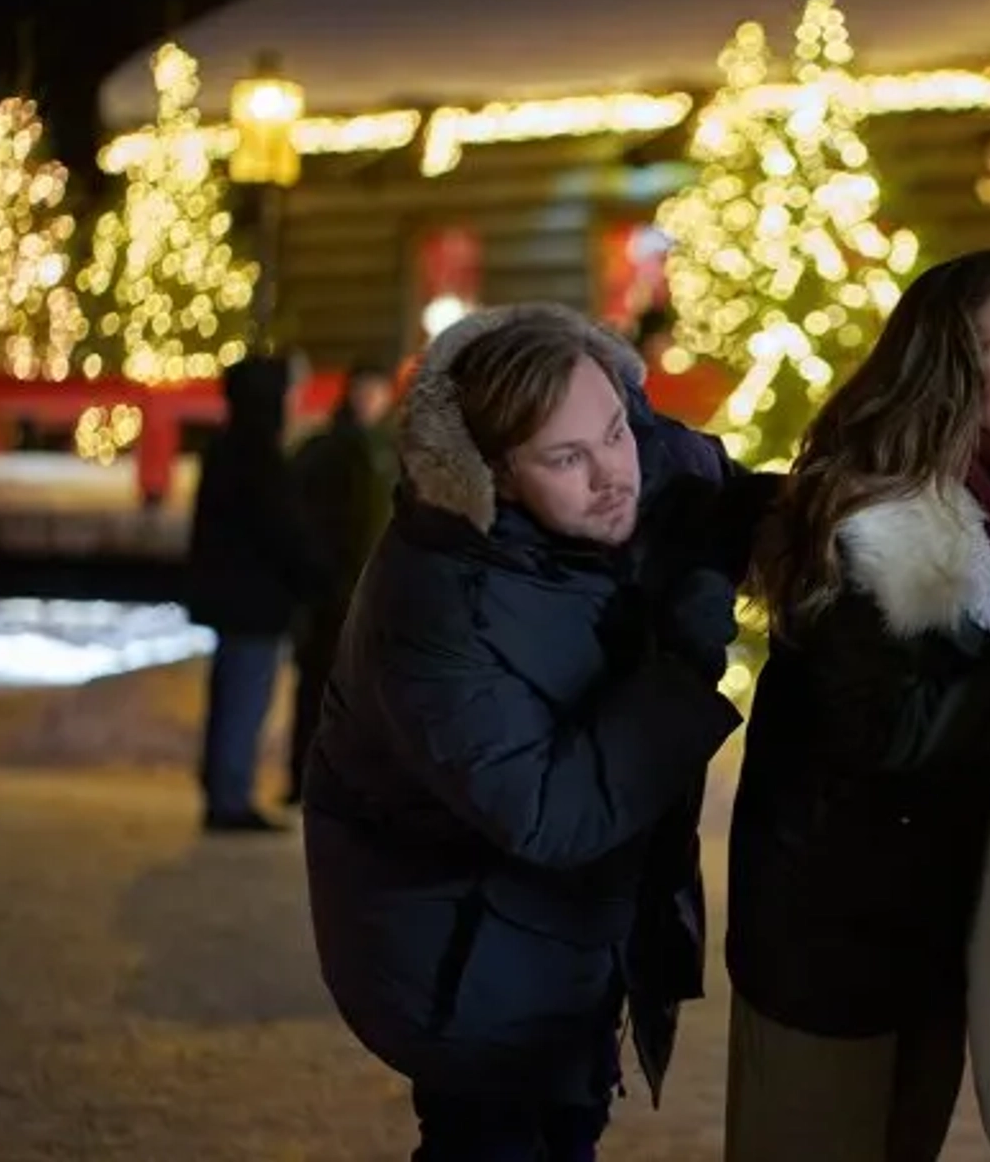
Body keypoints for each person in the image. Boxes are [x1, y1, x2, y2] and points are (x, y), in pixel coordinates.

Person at [303, 303, 768, 1161]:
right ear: (496, 475)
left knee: (567, 1128)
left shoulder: (638, 465)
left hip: (568, 940)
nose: (610, 474)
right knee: (493, 1139)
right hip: (460, 960)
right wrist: (687, 646)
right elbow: (551, 814)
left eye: (615, 434)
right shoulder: (435, 604)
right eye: (566, 459)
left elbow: (737, 502)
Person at [724, 249, 990, 1162]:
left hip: (943, 923)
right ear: (952, 372)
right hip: (828, 934)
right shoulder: (875, 520)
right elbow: (880, 729)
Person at [185, 354, 322, 833]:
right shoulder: (257, 454)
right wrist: (313, 574)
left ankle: (223, 787)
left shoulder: (228, 447)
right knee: (245, 695)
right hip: (254, 598)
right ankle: (229, 795)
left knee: (233, 692)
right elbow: (280, 529)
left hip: (234, 595)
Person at [285, 361, 397, 807]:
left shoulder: (385, 449)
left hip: (363, 590)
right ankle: (308, 778)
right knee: (320, 687)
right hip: (332, 590)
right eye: (365, 391)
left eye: (378, 392)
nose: (371, 401)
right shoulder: (335, 449)